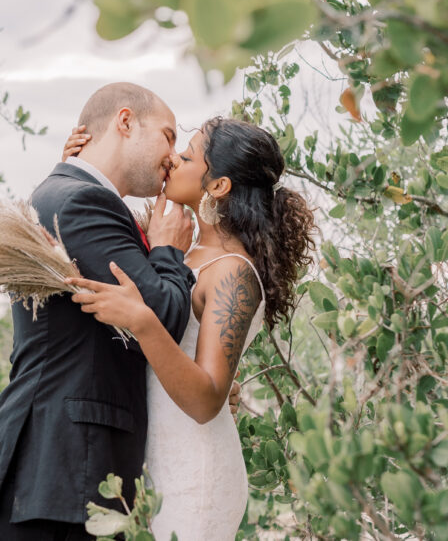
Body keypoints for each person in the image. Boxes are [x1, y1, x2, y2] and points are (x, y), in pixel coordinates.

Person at [0, 82, 197, 540]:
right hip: (61, 475)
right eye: (169, 136)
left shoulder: (65, 191)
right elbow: (161, 318)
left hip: (58, 477)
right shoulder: (83, 201)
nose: (172, 155)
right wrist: (168, 249)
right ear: (126, 122)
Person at [65, 116, 317, 540]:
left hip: (195, 474)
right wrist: (80, 167)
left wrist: (142, 322)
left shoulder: (233, 272)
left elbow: (206, 401)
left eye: (186, 156)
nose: (172, 161)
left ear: (218, 186)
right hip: (147, 464)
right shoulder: (178, 247)